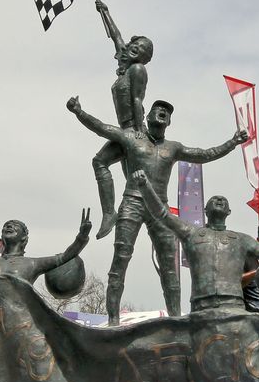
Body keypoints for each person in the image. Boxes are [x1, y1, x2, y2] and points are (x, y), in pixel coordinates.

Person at [67, 95, 248, 323]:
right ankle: (113, 321)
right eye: (158, 108)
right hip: (132, 201)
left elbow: (204, 155)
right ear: (148, 115)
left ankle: (176, 321)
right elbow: (102, 128)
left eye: (167, 111)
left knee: (169, 266)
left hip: (159, 207)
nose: (163, 111)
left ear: (169, 122)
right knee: (120, 260)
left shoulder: (173, 148)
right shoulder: (132, 138)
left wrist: (232, 142)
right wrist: (79, 112)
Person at [133, 172, 259, 313]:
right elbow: (162, 214)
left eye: (223, 200)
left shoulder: (241, 239)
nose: (219, 199)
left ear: (229, 211)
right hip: (202, 308)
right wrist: (145, 187)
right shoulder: (192, 233)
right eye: (214, 199)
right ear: (205, 210)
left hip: (234, 309)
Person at [87, 0, 156, 239]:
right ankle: (110, 214)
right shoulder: (126, 64)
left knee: (132, 182)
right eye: (135, 45)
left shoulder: (137, 70)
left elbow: (137, 100)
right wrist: (105, 12)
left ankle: (133, 217)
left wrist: (138, 131)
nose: (134, 49)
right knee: (125, 179)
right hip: (125, 130)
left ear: (143, 59)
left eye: (141, 51)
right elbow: (115, 37)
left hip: (132, 130)